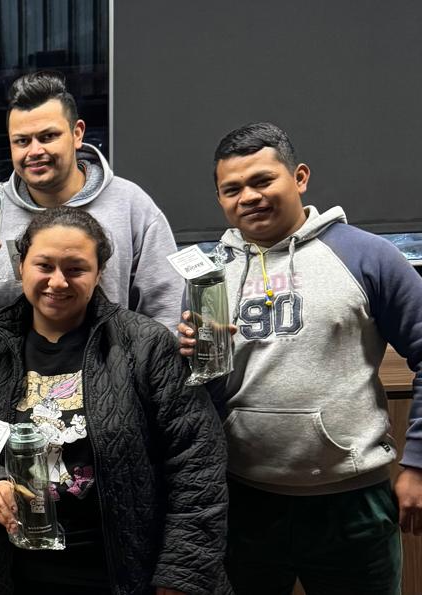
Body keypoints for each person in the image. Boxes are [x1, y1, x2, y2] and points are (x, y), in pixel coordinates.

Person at [178, 122, 422, 594]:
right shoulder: (210, 275)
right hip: (243, 501)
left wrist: (418, 463)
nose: (249, 197)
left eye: (262, 180)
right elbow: (205, 394)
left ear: (300, 177)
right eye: (232, 189)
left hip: (351, 503)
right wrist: (192, 358)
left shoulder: (367, 256)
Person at [0, 207, 228, 594]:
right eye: (44, 266)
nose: (58, 282)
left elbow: (196, 462)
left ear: (99, 272)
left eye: (76, 269)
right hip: (17, 574)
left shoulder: (145, 346)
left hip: (127, 574)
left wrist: (181, 573)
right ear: (21, 265)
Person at [0, 70, 181, 334]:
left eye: (48, 137)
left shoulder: (131, 206)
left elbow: (167, 312)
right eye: (22, 141)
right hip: (2, 361)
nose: (35, 151)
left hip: (109, 361)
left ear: (77, 134)